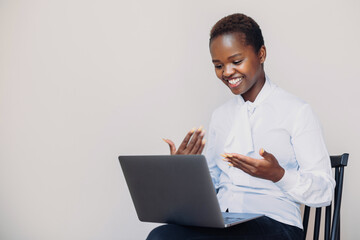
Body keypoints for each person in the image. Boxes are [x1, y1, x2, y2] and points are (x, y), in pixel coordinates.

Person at [148, 13, 335, 240]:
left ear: (261, 54)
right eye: (218, 65)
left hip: (277, 223)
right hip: (224, 221)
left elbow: (325, 192)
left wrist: (278, 174)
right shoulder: (221, 116)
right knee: (161, 236)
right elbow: (212, 182)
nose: (227, 72)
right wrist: (183, 171)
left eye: (236, 62)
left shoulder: (297, 112)